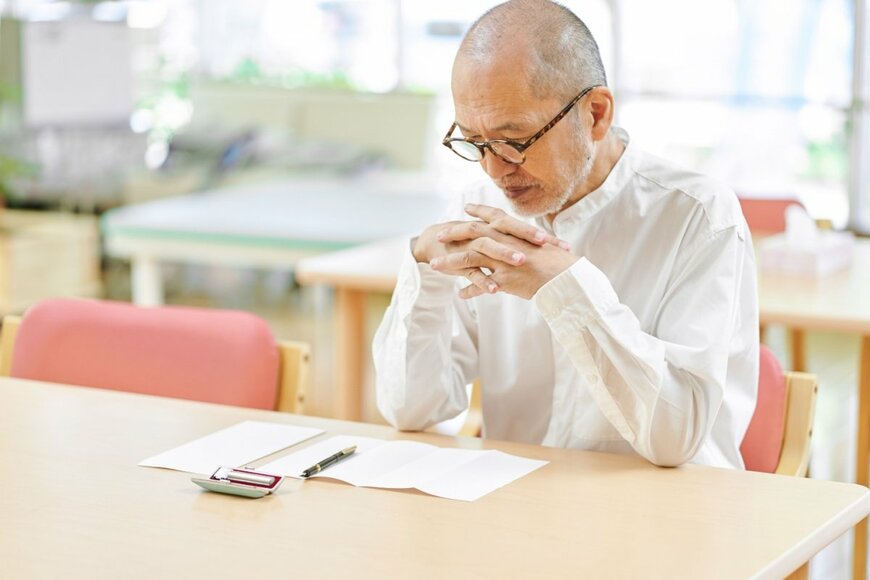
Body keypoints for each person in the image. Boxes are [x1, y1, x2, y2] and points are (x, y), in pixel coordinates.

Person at [372, 0, 758, 468]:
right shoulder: (481, 210)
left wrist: (566, 286)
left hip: (667, 517)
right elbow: (412, 411)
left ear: (595, 114)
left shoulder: (697, 217)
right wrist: (424, 271)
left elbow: (675, 438)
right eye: (474, 142)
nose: (495, 169)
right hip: (516, 508)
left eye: (514, 141)